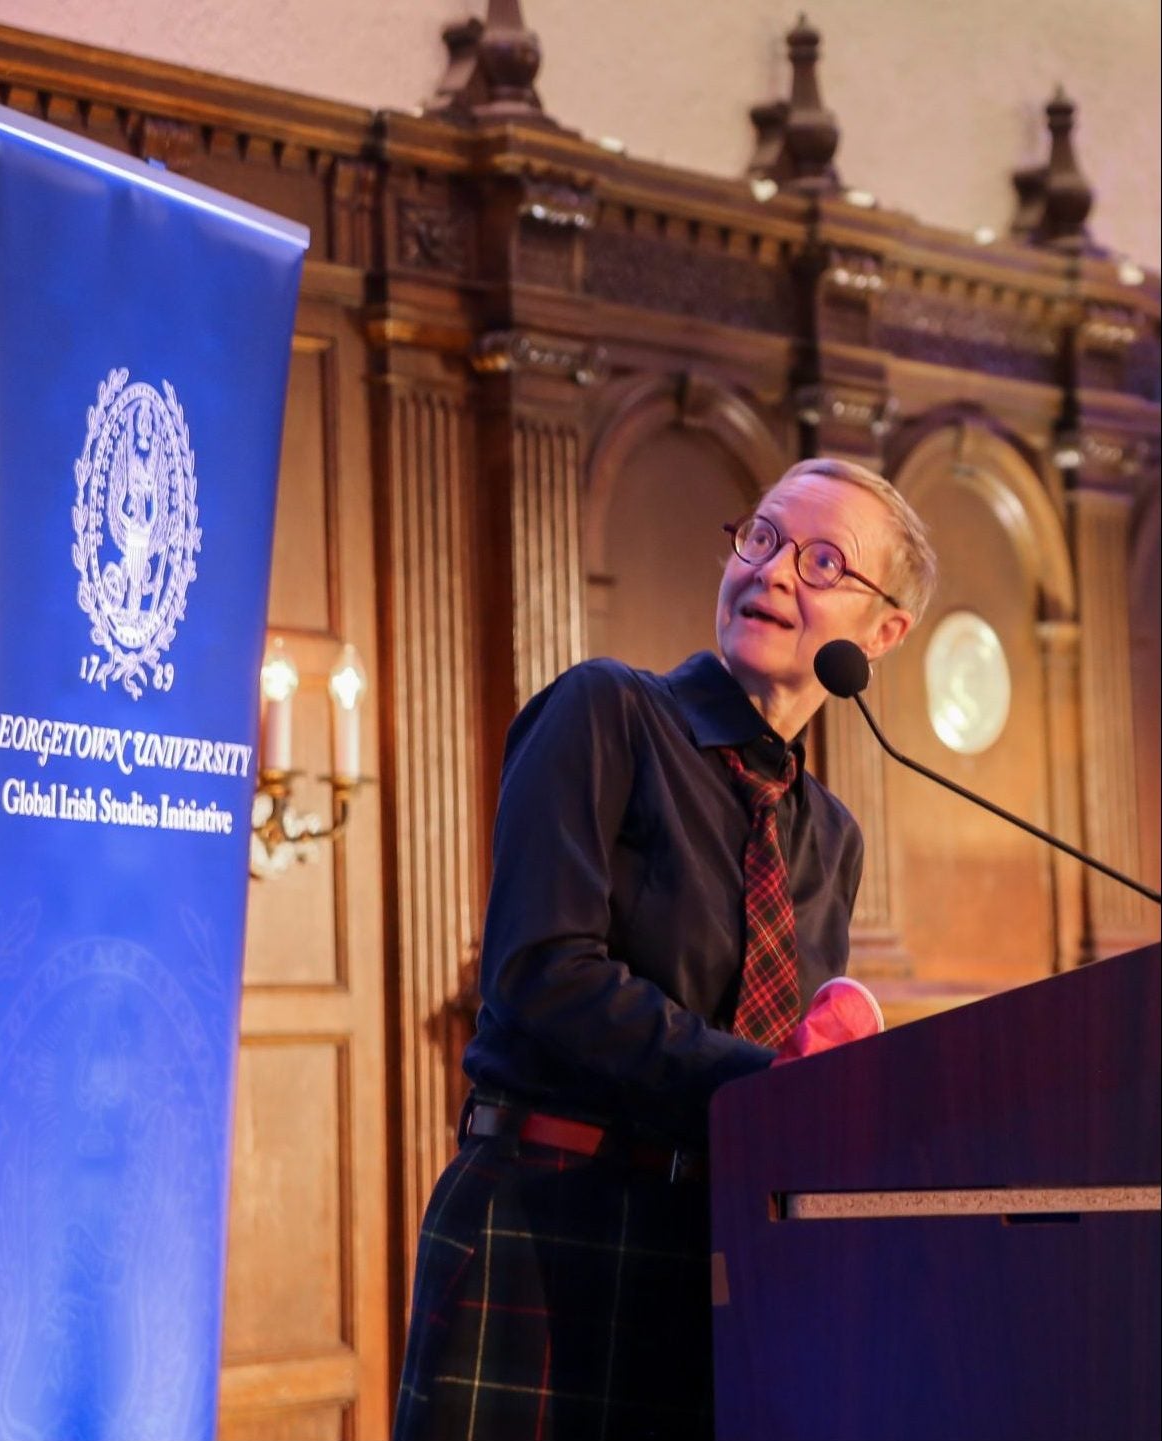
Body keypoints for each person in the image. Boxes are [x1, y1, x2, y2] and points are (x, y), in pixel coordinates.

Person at [392, 457, 938, 1441]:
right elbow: (538, 973)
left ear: (883, 631)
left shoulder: (831, 837)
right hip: (543, 1221)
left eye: (822, 562)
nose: (771, 571)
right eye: (761, 537)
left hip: (720, 1258)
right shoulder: (605, 711)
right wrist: (765, 1080)